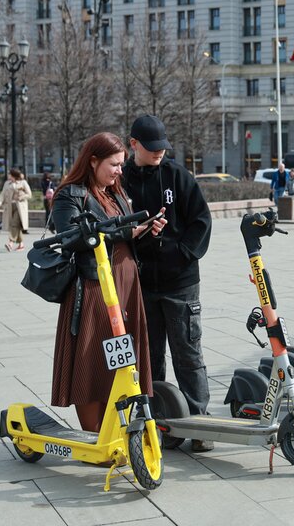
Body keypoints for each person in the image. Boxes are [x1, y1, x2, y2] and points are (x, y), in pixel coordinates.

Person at [50, 132, 165, 433]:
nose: (119, 171)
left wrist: (148, 232)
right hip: (93, 288)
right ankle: (94, 433)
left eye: (121, 165)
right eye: (113, 164)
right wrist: (125, 233)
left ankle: (116, 429)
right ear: (93, 160)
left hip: (125, 287)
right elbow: (71, 239)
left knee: (120, 361)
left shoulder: (117, 194)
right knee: (92, 362)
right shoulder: (70, 194)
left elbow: (128, 239)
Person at [121, 115, 214, 452]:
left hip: (181, 282)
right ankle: (159, 422)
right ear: (133, 144)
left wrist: (181, 253)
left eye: (162, 147)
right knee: (150, 357)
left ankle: (199, 422)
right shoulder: (122, 182)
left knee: (188, 353)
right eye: (151, 147)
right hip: (142, 283)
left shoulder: (177, 175)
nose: (159, 153)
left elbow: (201, 220)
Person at [0, 168, 32, 252]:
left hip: (20, 207)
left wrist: (21, 197)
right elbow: (2, 194)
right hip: (9, 207)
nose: (8, 175)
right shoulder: (7, 183)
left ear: (13, 175)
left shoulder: (23, 183)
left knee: (14, 224)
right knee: (16, 226)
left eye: (10, 174)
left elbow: (29, 194)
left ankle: (10, 243)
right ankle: (21, 245)